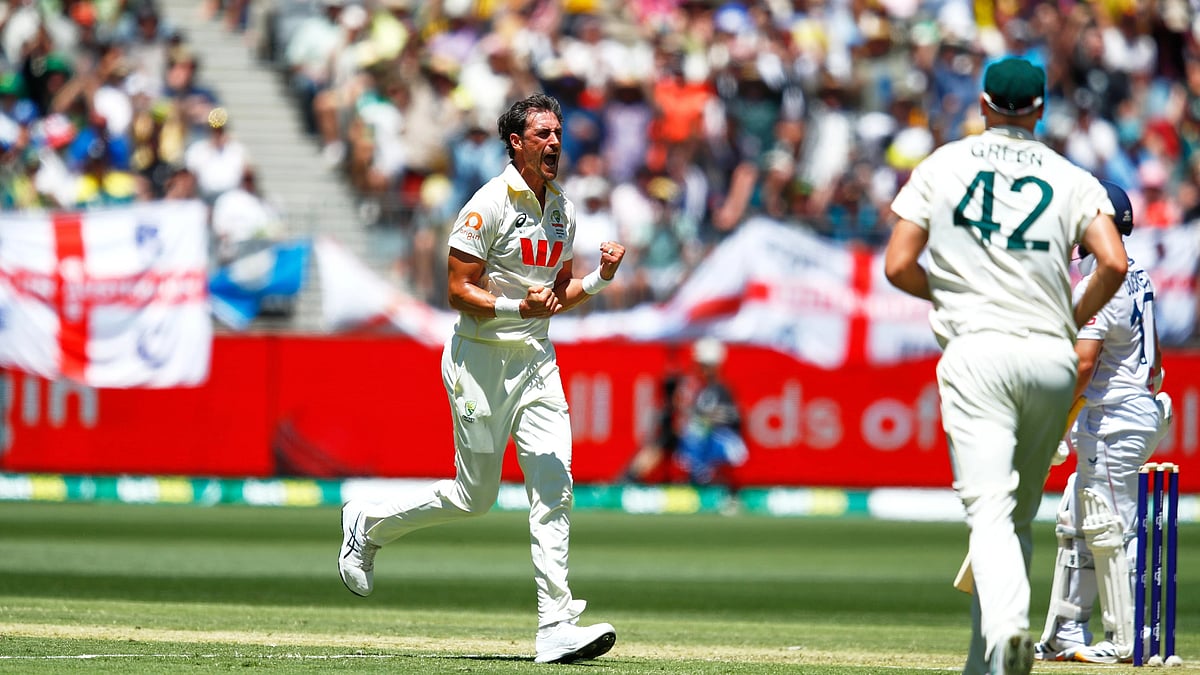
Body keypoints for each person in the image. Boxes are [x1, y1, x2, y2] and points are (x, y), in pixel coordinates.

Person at [337, 93, 624, 665]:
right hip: (479, 362)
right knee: (476, 498)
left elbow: (554, 294)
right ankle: (365, 523)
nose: (555, 142)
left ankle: (555, 625)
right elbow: (456, 290)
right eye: (542, 133)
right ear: (515, 142)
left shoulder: (562, 208)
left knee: (554, 485)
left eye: (558, 132)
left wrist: (596, 281)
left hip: (537, 362)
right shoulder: (488, 203)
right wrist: (522, 308)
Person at [883, 57, 1129, 675]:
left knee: (990, 512)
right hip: (1050, 356)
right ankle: (985, 665)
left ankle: (1009, 628)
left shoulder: (945, 163)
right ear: (1041, 108)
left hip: (979, 353)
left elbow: (897, 265)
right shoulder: (1069, 175)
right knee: (1015, 519)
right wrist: (1070, 317)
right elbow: (1115, 262)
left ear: (984, 105)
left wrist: (951, 295)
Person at [1035, 180, 1173, 664]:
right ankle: (1066, 631)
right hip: (1130, 407)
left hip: (1113, 416)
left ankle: (1126, 639)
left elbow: (1084, 364)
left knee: (1112, 528)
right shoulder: (1139, 273)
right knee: (1078, 520)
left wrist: (1050, 419)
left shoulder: (1102, 279)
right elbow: (1156, 361)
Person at [675, 337, 748, 488]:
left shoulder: (718, 390)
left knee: (695, 431)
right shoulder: (704, 390)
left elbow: (726, 421)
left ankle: (701, 476)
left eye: (703, 366)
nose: (700, 370)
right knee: (693, 430)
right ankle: (701, 475)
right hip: (718, 442)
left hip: (729, 444)